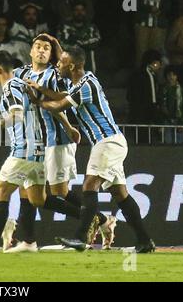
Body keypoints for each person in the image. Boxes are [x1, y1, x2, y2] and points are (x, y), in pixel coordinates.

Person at [2, 34, 115, 253]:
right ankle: (29, 241)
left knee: (58, 191)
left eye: (47, 47)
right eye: (38, 46)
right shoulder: (21, 73)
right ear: (31, 51)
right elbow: (2, 77)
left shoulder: (56, 73)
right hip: (33, 142)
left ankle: (98, 219)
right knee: (29, 193)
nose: (42, 50)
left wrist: (68, 127)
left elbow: (64, 98)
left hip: (56, 139)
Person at [0, 50, 92, 254]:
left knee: (0, 192)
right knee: (38, 199)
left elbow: (16, 116)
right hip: (39, 151)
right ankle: (88, 217)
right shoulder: (22, 84)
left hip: (23, 151)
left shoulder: (10, 88)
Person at [38, 47, 155, 253]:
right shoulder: (82, 81)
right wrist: (39, 90)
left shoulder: (86, 85)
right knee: (121, 195)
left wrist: (37, 100)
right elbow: (59, 95)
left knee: (90, 184)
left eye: (62, 62)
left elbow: (58, 105)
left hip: (107, 141)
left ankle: (80, 238)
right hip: (111, 142)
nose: (58, 65)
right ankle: (145, 241)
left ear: (72, 65)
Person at [57, 1, 101, 73]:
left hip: (88, 67)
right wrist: (84, 42)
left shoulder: (91, 27)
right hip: (70, 67)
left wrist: (76, 41)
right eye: (76, 10)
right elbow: (61, 43)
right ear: (72, 12)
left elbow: (97, 40)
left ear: (85, 12)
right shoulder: (64, 27)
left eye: (82, 10)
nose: (79, 12)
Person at [159, 66, 183, 143]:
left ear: (177, 76)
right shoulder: (163, 90)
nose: (171, 77)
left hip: (178, 121)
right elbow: (160, 105)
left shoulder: (181, 91)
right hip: (166, 121)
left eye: (173, 75)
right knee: (167, 143)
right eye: (169, 75)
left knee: (178, 144)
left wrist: (182, 123)